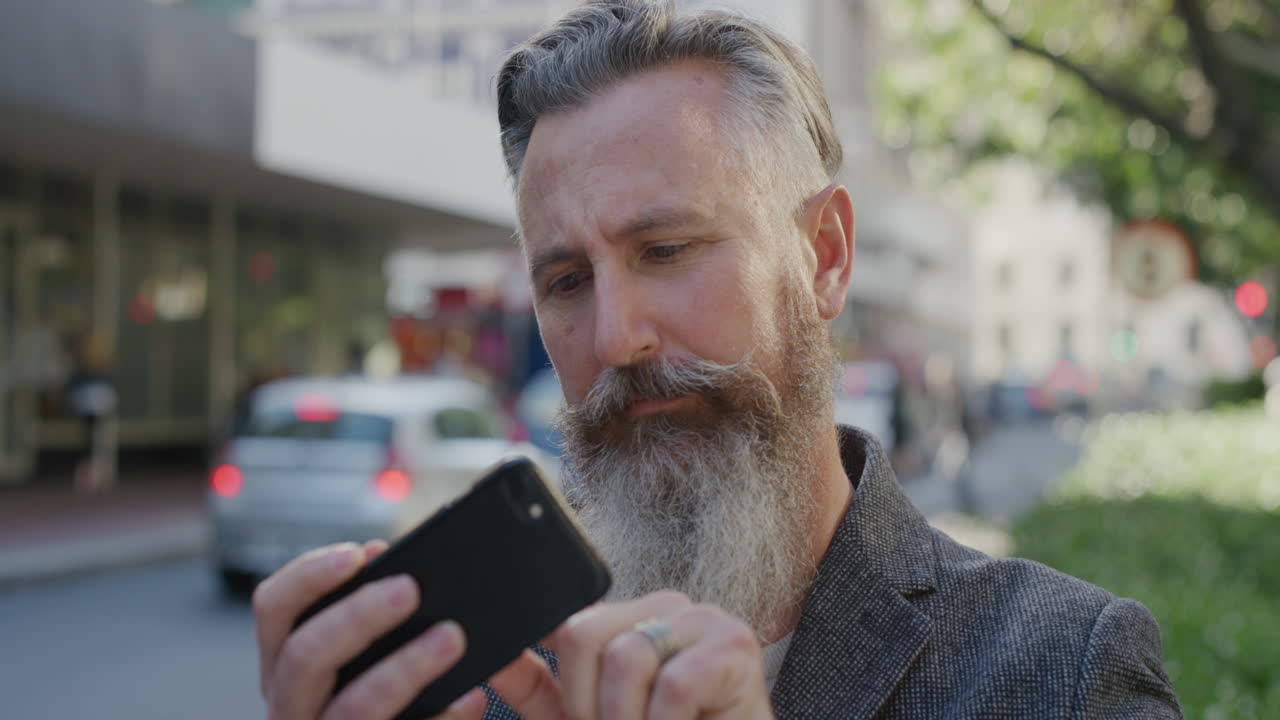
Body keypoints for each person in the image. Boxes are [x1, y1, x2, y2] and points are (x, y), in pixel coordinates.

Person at [251, 2, 1182, 718]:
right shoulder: (487, 674)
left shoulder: (1064, 671)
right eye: (567, 280)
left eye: (667, 251)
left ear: (824, 257)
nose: (618, 339)